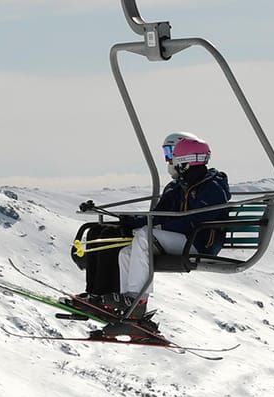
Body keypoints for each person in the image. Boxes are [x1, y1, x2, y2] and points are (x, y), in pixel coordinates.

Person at [73, 132, 232, 325]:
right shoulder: (179, 187)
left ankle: (136, 300)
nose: (168, 159)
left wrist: (150, 225)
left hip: (196, 243)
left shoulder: (212, 188)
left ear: (185, 160)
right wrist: (130, 220)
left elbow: (192, 221)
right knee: (125, 252)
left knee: (144, 236)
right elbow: (159, 214)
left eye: (171, 153)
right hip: (179, 239)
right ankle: (124, 305)